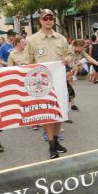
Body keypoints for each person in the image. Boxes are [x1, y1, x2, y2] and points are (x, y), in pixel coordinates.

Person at [25, 9, 70, 158]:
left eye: (51, 18)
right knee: (47, 114)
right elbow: (27, 61)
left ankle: (56, 140)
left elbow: (70, 53)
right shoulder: (32, 40)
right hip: (42, 84)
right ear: (40, 21)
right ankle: (51, 144)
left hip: (59, 81)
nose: (49, 20)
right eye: (45, 18)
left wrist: (68, 58)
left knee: (60, 112)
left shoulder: (61, 39)